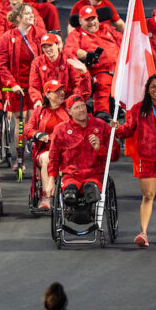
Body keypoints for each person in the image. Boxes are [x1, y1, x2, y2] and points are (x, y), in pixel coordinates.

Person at [111, 75, 156, 247]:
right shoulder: (138, 109)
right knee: (148, 195)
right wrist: (117, 128)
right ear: (148, 90)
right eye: (153, 87)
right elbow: (128, 129)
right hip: (147, 158)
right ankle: (143, 233)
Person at [47, 95, 120, 223]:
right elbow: (53, 157)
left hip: (94, 175)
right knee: (70, 194)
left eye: (83, 106)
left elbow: (115, 156)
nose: (81, 110)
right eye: (76, 107)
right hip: (71, 175)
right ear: (69, 111)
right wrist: (51, 179)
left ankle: (90, 210)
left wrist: (100, 148)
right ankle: (73, 210)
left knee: (91, 191)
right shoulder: (61, 130)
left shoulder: (101, 126)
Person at [0, 2, 43, 168]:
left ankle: (38, 155)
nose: (31, 16)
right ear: (18, 18)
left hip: (36, 85)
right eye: (27, 13)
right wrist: (11, 83)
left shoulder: (39, 34)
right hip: (17, 86)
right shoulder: (7, 37)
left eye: (32, 13)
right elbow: (1, 64)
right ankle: (20, 158)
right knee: (21, 121)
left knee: (34, 120)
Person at [64, 5, 122, 119]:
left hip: (121, 70)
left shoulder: (107, 28)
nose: (92, 22)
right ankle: (103, 114)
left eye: (93, 18)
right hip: (100, 72)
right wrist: (85, 54)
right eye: (87, 20)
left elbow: (124, 41)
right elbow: (69, 50)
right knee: (102, 86)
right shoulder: (76, 35)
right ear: (80, 21)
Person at [25, 80, 70, 210]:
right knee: (47, 158)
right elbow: (28, 129)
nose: (62, 93)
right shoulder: (39, 112)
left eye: (62, 90)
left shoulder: (69, 109)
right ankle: (47, 197)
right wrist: (37, 134)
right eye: (57, 91)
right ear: (48, 94)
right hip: (46, 150)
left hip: (67, 149)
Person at [29, 33, 91, 108]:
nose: (47, 49)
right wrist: (37, 100)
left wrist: (73, 101)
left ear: (57, 45)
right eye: (44, 47)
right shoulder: (37, 62)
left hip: (66, 102)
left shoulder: (69, 59)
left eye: (50, 46)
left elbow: (77, 84)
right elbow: (34, 86)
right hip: (47, 103)